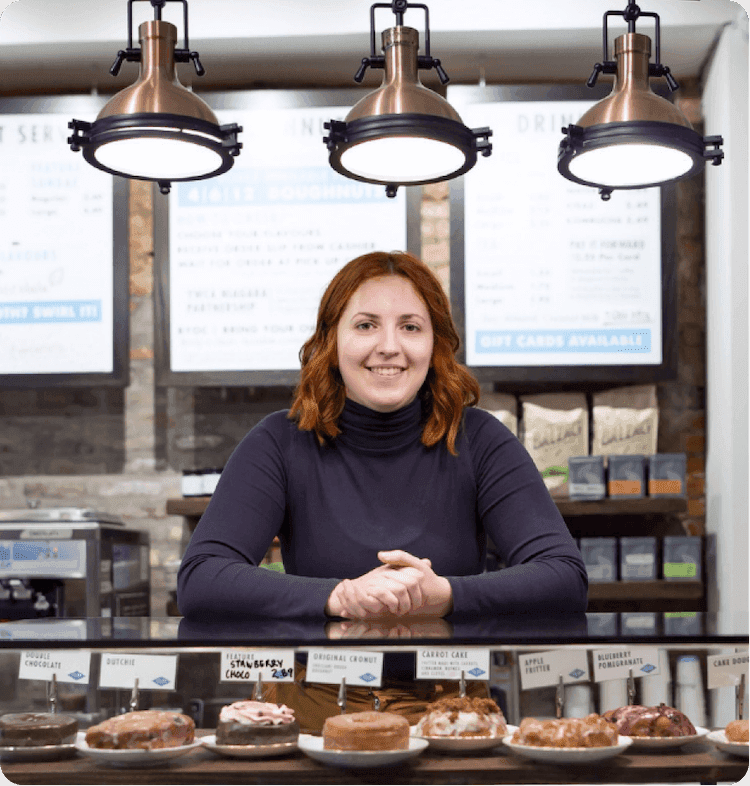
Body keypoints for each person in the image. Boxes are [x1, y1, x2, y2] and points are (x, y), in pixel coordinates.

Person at [177, 250, 588, 623]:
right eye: (366, 325)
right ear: (331, 340)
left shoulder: (478, 439)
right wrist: (340, 596)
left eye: (410, 327)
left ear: (435, 344)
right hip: (319, 694)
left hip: (450, 696)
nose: (389, 347)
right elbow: (202, 578)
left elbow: (564, 577)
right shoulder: (280, 441)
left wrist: (445, 595)